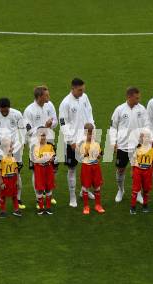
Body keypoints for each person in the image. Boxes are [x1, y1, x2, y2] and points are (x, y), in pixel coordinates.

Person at [59, 78, 95, 207]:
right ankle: (72, 196)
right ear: (73, 88)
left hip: (86, 139)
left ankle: (84, 190)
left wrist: (92, 131)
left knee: (88, 167)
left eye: (83, 89)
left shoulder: (84, 97)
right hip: (73, 142)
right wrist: (71, 141)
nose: (82, 92)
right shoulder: (65, 103)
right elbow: (63, 123)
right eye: (80, 90)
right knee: (72, 169)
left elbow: (90, 114)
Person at [109, 87, 149, 204]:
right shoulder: (119, 110)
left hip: (138, 147)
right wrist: (113, 142)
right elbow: (113, 126)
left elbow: (147, 124)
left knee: (138, 171)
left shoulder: (142, 109)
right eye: (136, 98)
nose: (138, 99)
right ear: (129, 97)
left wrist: (145, 133)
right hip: (123, 146)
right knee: (120, 170)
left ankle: (138, 193)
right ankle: (120, 190)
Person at [0, 98, 26, 211]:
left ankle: (18, 198)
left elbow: (22, 132)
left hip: (14, 150)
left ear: (9, 107)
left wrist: (18, 146)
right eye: (2, 110)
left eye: (6, 110)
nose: (4, 112)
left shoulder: (17, 114)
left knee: (16, 174)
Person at [23, 85, 58, 207]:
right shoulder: (29, 110)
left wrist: (50, 124)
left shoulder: (50, 105)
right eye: (46, 95)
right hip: (35, 145)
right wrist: (44, 126)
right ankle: (39, 198)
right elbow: (28, 130)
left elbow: (55, 121)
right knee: (36, 171)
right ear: (39, 97)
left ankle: (48, 195)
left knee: (51, 169)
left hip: (49, 142)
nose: (49, 97)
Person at [78, 123, 105, 215]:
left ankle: (98, 205)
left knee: (97, 186)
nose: (90, 135)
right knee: (85, 187)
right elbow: (79, 157)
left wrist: (98, 157)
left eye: (92, 133)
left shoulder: (96, 143)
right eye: (88, 133)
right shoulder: (82, 143)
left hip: (95, 167)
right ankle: (86, 206)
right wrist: (85, 154)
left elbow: (101, 153)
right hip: (86, 167)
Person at [31, 127, 56, 215]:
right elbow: (37, 159)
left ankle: (48, 207)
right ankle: (41, 208)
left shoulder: (50, 146)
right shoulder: (35, 147)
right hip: (39, 170)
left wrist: (50, 158)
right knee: (40, 189)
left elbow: (52, 157)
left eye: (44, 135)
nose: (43, 137)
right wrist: (46, 158)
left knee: (49, 187)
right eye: (41, 136)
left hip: (48, 169)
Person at [130, 130, 153, 214]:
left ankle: (145, 205)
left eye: (148, 137)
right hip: (138, 171)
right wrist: (132, 171)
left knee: (146, 189)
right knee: (136, 189)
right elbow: (133, 160)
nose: (147, 138)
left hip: (148, 171)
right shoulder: (138, 147)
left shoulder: (151, 149)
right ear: (141, 138)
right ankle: (133, 207)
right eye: (145, 137)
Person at [0, 138, 22, 218]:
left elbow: (16, 170)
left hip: (13, 179)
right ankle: (3, 210)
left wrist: (17, 180)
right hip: (5, 180)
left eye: (11, 147)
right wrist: (1, 182)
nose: (11, 148)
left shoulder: (13, 159)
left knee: (14, 195)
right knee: (3, 196)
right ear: (4, 149)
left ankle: (16, 209)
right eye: (9, 147)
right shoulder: (1, 159)